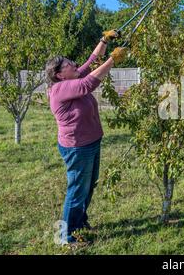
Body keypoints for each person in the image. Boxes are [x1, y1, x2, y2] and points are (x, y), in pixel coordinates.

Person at [45, 30, 127, 244]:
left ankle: (79, 222)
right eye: (68, 64)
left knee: (88, 186)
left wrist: (104, 40)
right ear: (59, 74)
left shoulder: (73, 77)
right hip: (77, 147)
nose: (74, 64)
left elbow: (91, 61)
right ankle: (64, 236)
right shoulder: (60, 89)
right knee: (76, 190)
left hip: (91, 141)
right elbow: (88, 84)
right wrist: (113, 60)